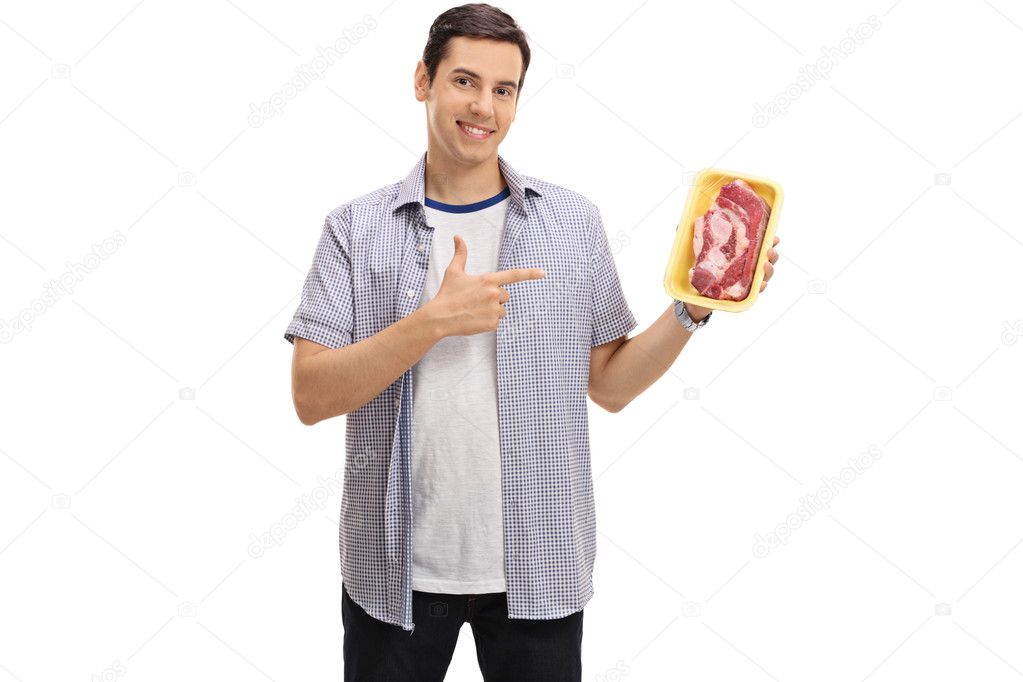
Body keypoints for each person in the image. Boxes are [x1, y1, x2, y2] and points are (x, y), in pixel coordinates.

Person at [284, 4, 780, 680]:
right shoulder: (355, 228)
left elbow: (608, 385)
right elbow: (310, 396)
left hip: (537, 567)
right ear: (422, 81)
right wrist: (432, 322)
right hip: (393, 572)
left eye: (503, 88)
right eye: (463, 81)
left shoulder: (570, 223)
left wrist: (690, 312)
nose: (482, 106)